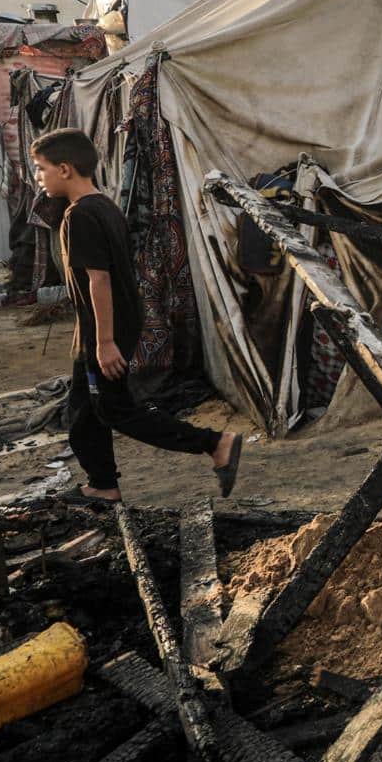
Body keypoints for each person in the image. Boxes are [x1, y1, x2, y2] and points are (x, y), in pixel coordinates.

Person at [29, 128, 241, 504]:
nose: (38, 178)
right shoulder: (105, 206)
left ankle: (215, 444)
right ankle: (103, 484)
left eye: (41, 169)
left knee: (115, 410)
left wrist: (106, 342)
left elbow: (100, 280)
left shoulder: (81, 216)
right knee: (83, 414)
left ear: (65, 169)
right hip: (106, 327)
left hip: (105, 331)